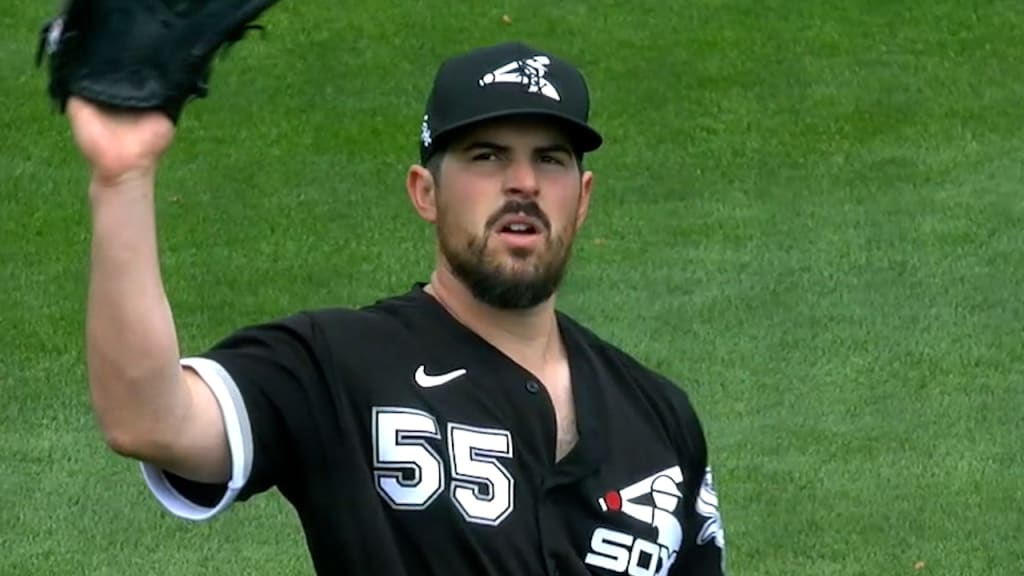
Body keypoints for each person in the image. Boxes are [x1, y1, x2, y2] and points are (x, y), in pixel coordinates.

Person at [71, 40, 727, 575]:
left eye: (549, 159)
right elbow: (149, 420)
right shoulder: (338, 366)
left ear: (581, 199)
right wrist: (122, 179)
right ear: (425, 192)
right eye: (486, 156)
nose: (523, 183)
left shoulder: (658, 416)